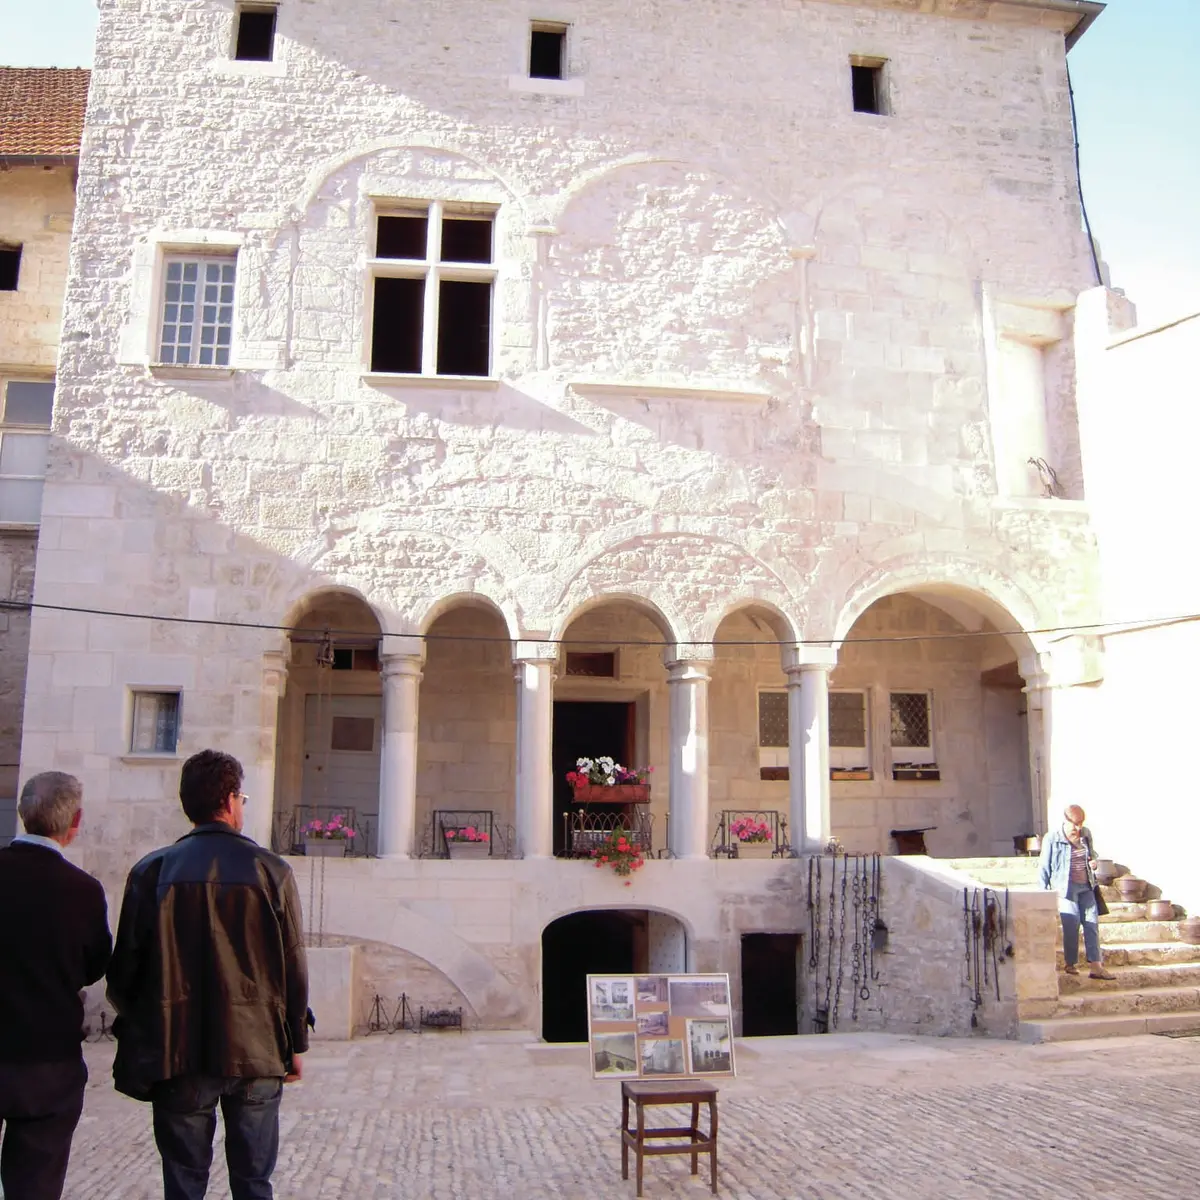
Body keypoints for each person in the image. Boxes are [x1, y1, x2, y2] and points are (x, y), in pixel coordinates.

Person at [107, 749, 309, 1200]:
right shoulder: (271, 871)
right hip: (256, 1047)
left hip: (178, 1046)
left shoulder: (152, 871)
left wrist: (146, 1023)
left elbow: (123, 974)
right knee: (253, 1182)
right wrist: (295, 1041)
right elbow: (293, 966)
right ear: (230, 800)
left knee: (184, 1183)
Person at [0, 771, 112, 1200]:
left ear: (21, 812)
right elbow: (95, 965)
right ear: (75, 821)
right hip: (48, 1061)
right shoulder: (83, 891)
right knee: (36, 1186)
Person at [1038, 804, 1116, 981]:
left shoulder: (1085, 834)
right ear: (1066, 821)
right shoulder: (1052, 838)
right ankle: (1070, 963)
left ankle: (1096, 966)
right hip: (1065, 888)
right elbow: (1044, 866)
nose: (1078, 827)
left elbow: (1091, 854)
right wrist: (1042, 894)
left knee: (1091, 923)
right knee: (1071, 923)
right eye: (1075, 823)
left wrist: (1093, 861)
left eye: (1081, 823)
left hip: (1087, 886)